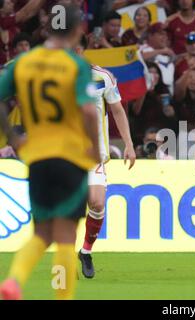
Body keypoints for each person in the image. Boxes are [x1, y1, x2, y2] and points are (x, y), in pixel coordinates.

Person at [0, 4, 100, 300]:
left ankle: (14, 282)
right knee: (66, 238)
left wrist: (12, 137)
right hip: (70, 157)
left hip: (37, 158)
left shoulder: (23, 62)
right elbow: (89, 111)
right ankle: (62, 298)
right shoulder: (76, 66)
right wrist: (94, 147)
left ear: (46, 28)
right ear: (78, 30)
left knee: (42, 233)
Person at [74, 36, 136, 279]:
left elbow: (118, 111)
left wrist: (129, 145)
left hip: (93, 154)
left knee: (97, 204)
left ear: (81, 48)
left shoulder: (103, 77)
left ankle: (85, 251)